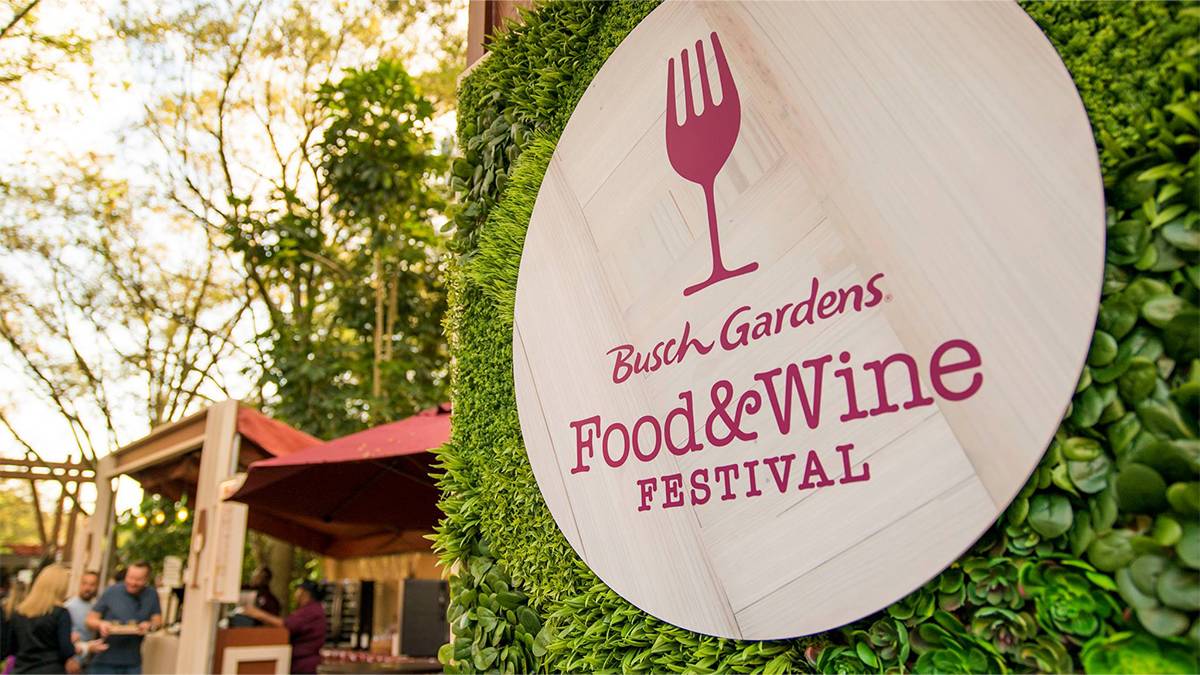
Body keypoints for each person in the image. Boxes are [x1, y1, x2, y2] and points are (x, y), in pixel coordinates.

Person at [86, 562, 161, 675]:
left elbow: (158, 621)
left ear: (146, 579)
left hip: (133, 662)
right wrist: (101, 624)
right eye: (130, 577)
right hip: (104, 661)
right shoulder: (112, 591)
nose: (133, 582)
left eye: (138, 579)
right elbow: (89, 620)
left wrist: (149, 625)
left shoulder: (151, 594)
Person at [0, 564, 77, 674]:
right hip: (51, 670)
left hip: (22, 670)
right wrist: (73, 644)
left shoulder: (19, 613)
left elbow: (9, 648)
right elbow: (66, 651)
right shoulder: (60, 613)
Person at [239, 580, 326, 674]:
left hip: (303, 665)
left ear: (304, 593)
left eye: (298, 590)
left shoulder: (311, 611)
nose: (295, 594)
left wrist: (257, 613)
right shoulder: (312, 609)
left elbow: (287, 624)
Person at [64, 571, 104, 668]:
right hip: (74, 661)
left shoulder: (98, 607)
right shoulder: (68, 606)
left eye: (92, 584)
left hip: (91, 661)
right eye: (84, 583)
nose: (87, 588)